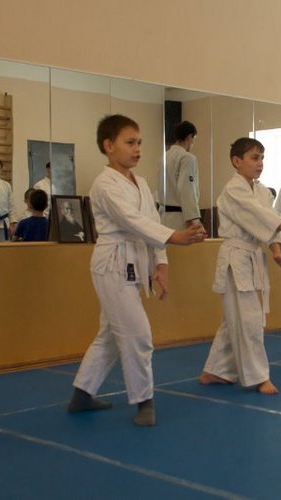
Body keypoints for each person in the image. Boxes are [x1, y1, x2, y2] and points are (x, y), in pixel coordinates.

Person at [68, 114, 207, 427]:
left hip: (136, 260)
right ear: (109, 146)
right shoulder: (104, 184)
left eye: (140, 142)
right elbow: (133, 222)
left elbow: (151, 222)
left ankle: (82, 393)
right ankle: (144, 401)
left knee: (110, 334)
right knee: (138, 334)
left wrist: (162, 263)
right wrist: (175, 237)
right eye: (130, 142)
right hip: (112, 263)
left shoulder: (141, 183)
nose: (137, 149)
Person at [199, 138, 281, 394]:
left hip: (252, 256)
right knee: (249, 319)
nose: (260, 163)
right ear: (236, 161)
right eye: (254, 158)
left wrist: (276, 251)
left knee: (236, 317)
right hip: (236, 259)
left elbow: (267, 222)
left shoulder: (262, 191)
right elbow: (261, 216)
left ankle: (215, 370)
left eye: (262, 158)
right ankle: (258, 377)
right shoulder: (233, 189)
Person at [162, 121, 201, 230]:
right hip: (180, 219)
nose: (193, 143)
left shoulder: (163, 157)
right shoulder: (187, 158)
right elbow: (187, 190)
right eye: (194, 139)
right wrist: (195, 221)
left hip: (163, 217)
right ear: (189, 137)